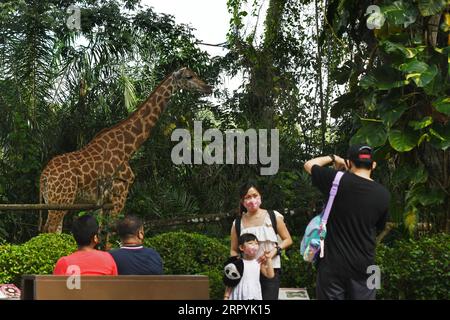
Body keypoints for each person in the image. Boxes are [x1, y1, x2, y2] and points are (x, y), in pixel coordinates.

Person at [303, 144, 390, 300]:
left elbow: (309, 165)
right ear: (374, 165)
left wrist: (334, 158)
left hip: (332, 266)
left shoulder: (336, 179)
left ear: (349, 162)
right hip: (369, 267)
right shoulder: (384, 194)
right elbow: (379, 227)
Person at [229, 181, 293, 300]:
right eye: (247, 197)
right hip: (247, 273)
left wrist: (274, 252)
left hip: (270, 269)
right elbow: (233, 250)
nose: (252, 200)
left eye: (255, 195)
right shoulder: (237, 223)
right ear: (242, 201)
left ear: (260, 196)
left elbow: (288, 239)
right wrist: (237, 267)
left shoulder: (273, 216)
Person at [53, 215, 118, 275]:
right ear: (95, 238)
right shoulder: (107, 258)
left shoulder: (64, 262)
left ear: (74, 237)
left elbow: (56, 286)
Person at [224, 233, 274, 300]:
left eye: (256, 243)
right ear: (241, 247)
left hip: (254, 294)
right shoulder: (238, 263)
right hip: (239, 295)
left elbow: (270, 275)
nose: (254, 246)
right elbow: (230, 281)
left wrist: (269, 259)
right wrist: (226, 296)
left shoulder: (258, 263)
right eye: (251, 243)